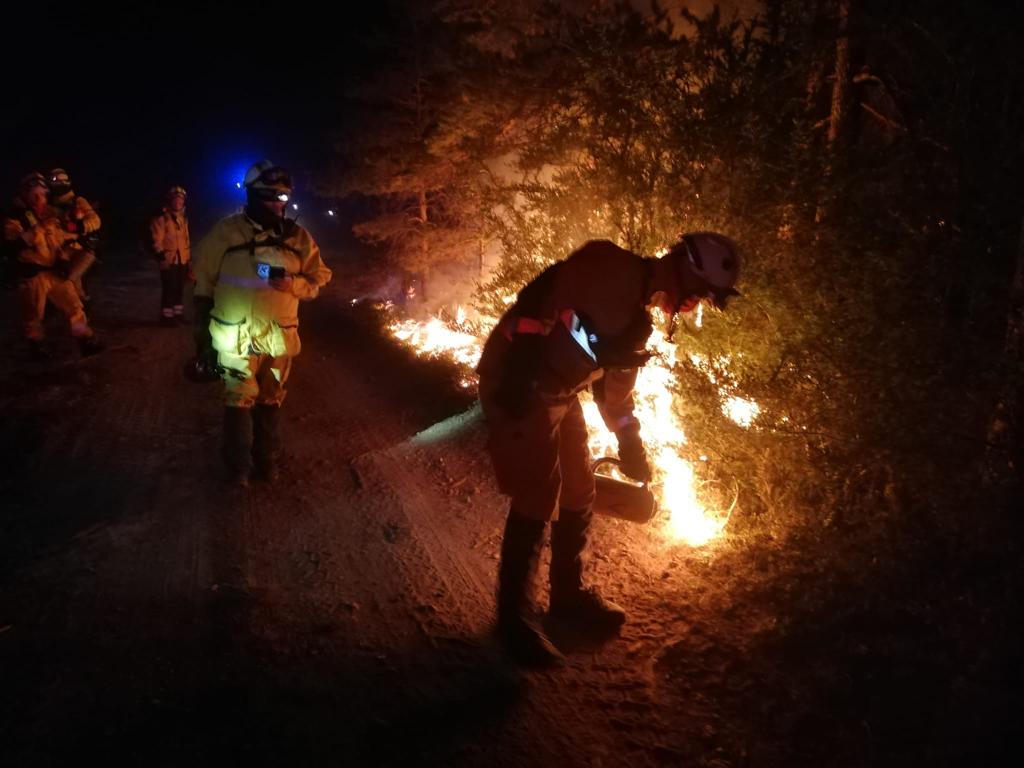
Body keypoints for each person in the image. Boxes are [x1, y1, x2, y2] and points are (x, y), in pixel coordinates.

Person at [477, 232, 741, 665]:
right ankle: (514, 619)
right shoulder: (607, 263)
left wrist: (630, 441)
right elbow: (539, 293)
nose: (694, 305)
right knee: (539, 491)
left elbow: (615, 398)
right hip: (519, 380)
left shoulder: (637, 324)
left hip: (560, 391)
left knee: (579, 489)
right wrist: (518, 367)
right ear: (683, 269)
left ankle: (567, 598)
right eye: (697, 293)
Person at [192, 160, 332, 487]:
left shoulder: (298, 237)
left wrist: (294, 284)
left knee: (271, 396)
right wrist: (200, 333)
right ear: (253, 195)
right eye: (270, 196)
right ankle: (238, 467)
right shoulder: (227, 232)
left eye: (284, 197)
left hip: (277, 342)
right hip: (234, 339)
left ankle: (267, 461)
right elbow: (203, 283)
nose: (277, 203)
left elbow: (320, 277)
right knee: (237, 397)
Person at [2, 172, 103, 358]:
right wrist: (38, 228)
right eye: (35, 195)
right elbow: (13, 243)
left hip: (55, 272)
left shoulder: (50, 215)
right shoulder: (16, 218)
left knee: (74, 308)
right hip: (33, 275)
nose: (40, 199)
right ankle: (36, 346)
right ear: (25, 195)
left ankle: (85, 340)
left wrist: (78, 238)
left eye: (43, 195)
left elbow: (61, 236)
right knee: (34, 315)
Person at [47, 168, 101, 302]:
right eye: (55, 181)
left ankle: (83, 312)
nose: (58, 184)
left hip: (76, 249)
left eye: (61, 180)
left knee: (71, 281)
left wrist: (78, 226)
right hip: (53, 250)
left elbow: (95, 220)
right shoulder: (47, 204)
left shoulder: (77, 201)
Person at [150, 185, 191, 325]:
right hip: (168, 260)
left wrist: (188, 259)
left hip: (182, 260)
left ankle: (177, 315)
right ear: (170, 201)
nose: (178, 203)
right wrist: (161, 258)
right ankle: (166, 318)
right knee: (169, 289)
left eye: (181, 200)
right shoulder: (162, 218)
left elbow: (186, 239)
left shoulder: (183, 218)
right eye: (175, 200)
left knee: (179, 289)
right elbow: (156, 239)